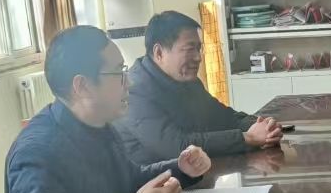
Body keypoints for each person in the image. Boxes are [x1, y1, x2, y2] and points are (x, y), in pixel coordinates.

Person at [0, 25, 213, 193]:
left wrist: (181, 170)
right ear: (82, 86)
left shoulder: (100, 127)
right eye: (118, 73)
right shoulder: (36, 150)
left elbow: (127, 179)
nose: (129, 83)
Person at [119, 10, 283, 163]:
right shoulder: (134, 91)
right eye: (190, 49)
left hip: (194, 173)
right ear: (159, 53)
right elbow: (176, 146)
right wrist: (248, 138)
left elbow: (222, 117)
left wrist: (262, 125)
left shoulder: (187, 81)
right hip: (155, 181)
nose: (198, 58)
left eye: (199, 49)